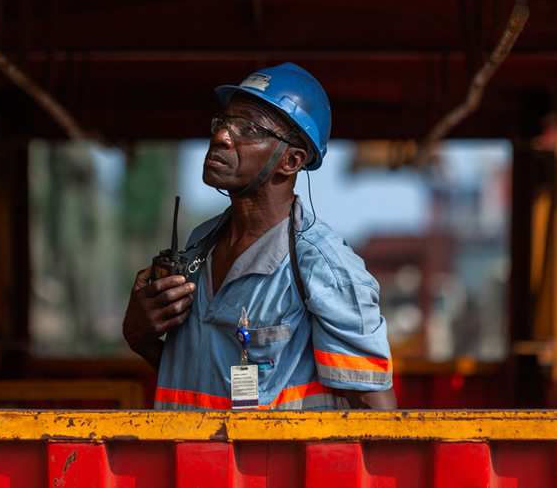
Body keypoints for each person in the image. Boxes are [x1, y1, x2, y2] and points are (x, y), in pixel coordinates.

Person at [122, 62, 396, 410]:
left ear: (291, 160)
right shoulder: (198, 247)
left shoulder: (322, 266)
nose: (221, 136)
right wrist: (139, 337)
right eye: (223, 122)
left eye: (248, 129)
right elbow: (205, 382)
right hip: (188, 464)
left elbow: (380, 415)